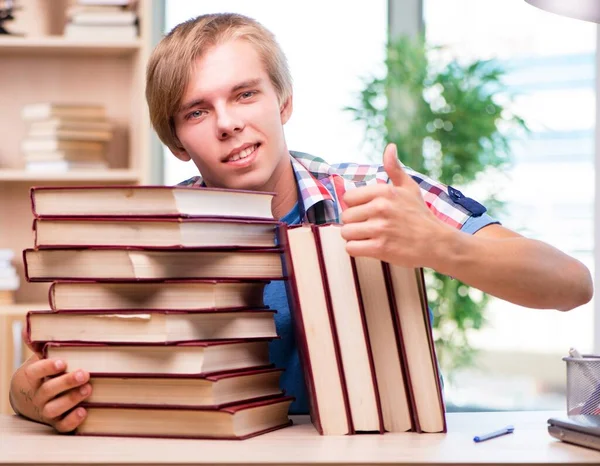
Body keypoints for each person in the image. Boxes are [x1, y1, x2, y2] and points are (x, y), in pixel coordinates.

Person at [9, 12, 593, 431]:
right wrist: (26, 396)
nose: (228, 123)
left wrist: (440, 246)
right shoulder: (155, 232)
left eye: (244, 95)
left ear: (282, 102)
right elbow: (51, 365)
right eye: (197, 111)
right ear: (178, 142)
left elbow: (571, 285)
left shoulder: (373, 192)